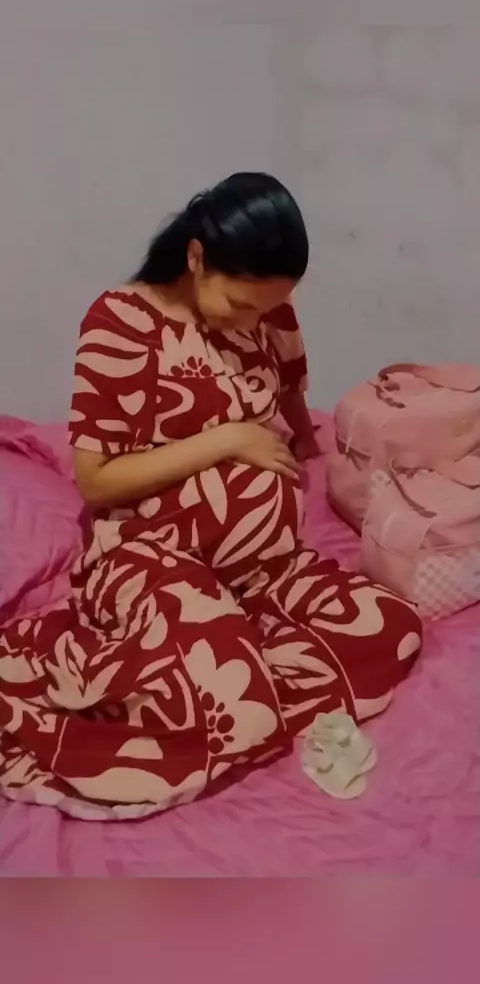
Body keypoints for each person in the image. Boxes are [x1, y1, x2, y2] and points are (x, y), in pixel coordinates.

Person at [0, 172, 422, 819]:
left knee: (394, 627)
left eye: (268, 307)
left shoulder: (271, 311)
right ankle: (218, 673)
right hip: (151, 557)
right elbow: (96, 479)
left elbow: (290, 395)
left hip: (264, 569)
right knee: (231, 700)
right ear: (196, 258)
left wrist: (314, 455)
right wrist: (227, 440)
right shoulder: (120, 325)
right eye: (240, 304)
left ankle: (234, 663)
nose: (255, 321)